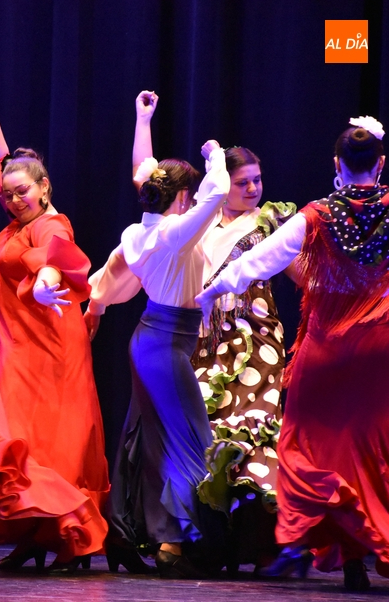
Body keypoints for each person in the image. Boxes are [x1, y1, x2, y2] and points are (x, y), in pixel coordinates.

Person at [197, 116, 389, 592]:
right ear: (380, 165)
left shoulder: (316, 215)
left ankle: (342, 556)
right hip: (379, 348)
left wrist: (210, 292)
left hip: (326, 348)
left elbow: (256, 262)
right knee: (376, 451)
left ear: (336, 166)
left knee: (308, 445)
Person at [0, 103, 109, 574]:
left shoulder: (49, 222)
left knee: (46, 440)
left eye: (23, 191)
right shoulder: (16, 222)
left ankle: (70, 537)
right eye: (7, 195)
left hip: (48, 350)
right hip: (13, 349)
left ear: (45, 188)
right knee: (18, 438)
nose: (13, 199)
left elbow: (53, 255)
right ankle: (32, 536)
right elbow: (2, 169)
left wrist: (44, 279)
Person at [85, 91, 230, 578]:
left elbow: (141, 168)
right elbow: (217, 193)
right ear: (182, 198)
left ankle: (134, 533)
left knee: (155, 439)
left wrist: (142, 119)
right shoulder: (174, 233)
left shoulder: (139, 231)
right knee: (187, 440)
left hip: (155, 340)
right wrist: (214, 157)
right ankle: (175, 542)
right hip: (165, 345)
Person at [191, 143, 296, 574]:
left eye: (257, 179)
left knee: (253, 434)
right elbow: (146, 179)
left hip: (258, 345)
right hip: (209, 345)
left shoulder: (270, 221)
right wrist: (144, 122)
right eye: (242, 182)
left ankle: (262, 544)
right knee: (210, 438)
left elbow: (304, 271)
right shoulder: (201, 221)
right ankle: (218, 546)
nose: (253, 188)